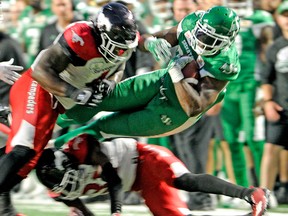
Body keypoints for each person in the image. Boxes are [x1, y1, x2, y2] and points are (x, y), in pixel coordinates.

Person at [0, 4, 138, 212]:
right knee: (23, 149)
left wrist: (109, 84)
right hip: (39, 89)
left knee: (30, 157)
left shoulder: (123, 46)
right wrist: (75, 92)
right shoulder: (80, 36)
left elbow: (118, 68)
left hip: (56, 104)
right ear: (102, 32)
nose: (120, 50)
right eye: (117, 43)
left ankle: (3, 201)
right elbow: (40, 70)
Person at [54, 5, 241, 146]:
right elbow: (145, 40)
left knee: (101, 128)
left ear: (226, 42)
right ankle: (44, 125)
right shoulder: (192, 23)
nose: (201, 40)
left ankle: (52, 149)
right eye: (201, 34)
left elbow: (193, 107)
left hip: (174, 112)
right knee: (96, 99)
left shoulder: (225, 63)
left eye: (211, 39)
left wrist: (177, 74)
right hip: (161, 81)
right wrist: (150, 41)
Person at [37, 133, 270, 216]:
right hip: (139, 184)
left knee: (184, 180)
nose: (72, 187)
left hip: (143, 159)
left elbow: (114, 180)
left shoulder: (81, 148)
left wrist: (116, 211)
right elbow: (85, 211)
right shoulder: (59, 192)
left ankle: (251, 193)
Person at [260, 1, 288, 206]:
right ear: (278, 18)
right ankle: (263, 195)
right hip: (281, 106)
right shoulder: (275, 47)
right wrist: (268, 102)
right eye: (284, 15)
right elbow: (266, 79)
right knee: (270, 149)